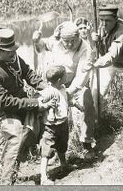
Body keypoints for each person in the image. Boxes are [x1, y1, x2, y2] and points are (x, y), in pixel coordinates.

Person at [0, 27, 57, 185]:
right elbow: (6, 102)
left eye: (14, 49)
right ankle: (7, 181)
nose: (13, 53)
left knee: (47, 122)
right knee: (17, 135)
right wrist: (36, 103)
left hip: (23, 101)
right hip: (6, 111)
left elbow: (28, 73)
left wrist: (45, 87)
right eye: (9, 51)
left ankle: (46, 163)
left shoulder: (11, 57)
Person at [32, 21, 96, 159]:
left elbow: (82, 75)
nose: (69, 44)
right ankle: (46, 147)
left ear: (78, 37)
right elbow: (42, 47)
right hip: (55, 83)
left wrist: (68, 93)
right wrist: (36, 41)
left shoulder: (84, 48)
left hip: (74, 84)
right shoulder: (56, 42)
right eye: (66, 41)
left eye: (73, 41)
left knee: (86, 100)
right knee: (42, 106)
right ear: (61, 38)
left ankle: (87, 144)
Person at [91, 5, 123, 136]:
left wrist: (97, 63)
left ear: (116, 19)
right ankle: (95, 120)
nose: (103, 23)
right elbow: (101, 49)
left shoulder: (122, 31)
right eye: (101, 20)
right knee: (96, 88)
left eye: (107, 20)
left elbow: (113, 54)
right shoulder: (101, 27)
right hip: (109, 63)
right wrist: (95, 40)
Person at [39, 65, 83, 185]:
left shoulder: (63, 88)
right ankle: (43, 177)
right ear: (59, 80)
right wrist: (47, 105)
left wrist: (76, 104)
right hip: (51, 126)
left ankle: (64, 165)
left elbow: (67, 100)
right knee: (47, 150)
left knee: (62, 145)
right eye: (65, 76)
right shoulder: (48, 92)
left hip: (63, 123)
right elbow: (38, 104)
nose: (66, 77)